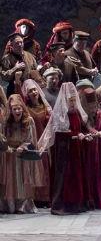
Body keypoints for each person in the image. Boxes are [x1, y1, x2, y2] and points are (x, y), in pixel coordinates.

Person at [39, 82, 93, 215]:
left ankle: (77, 203)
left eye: (75, 99)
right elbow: (60, 132)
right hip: (65, 150)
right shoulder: (60, 114)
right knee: (65, 175)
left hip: (76, 149)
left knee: (77, 175)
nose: (73, 103)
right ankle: (63, 204)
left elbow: (82, 127)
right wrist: (76, 135)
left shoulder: (77, 113)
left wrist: (87, 135)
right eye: (71, 100)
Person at [0, 94, 44, 213]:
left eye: (19, 108)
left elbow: (30, 139)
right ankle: (10, 205)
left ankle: (22, 206)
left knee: (23, 179)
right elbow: (2, 137)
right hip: (9, 154)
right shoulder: (5, 121)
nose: (18, 111)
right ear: (11, 110)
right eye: (15, 109)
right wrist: (7, 147)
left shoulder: (28, 121)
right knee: (10, 178)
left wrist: (22, 146)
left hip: (22, 155)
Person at [21, 79, 51, 207]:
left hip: (44, 142)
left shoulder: (45, 108)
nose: (34, 92)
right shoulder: (26, 109)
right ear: (27, 94)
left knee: (45, 169)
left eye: (35, 90)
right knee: (33, 170)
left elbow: (50, 125)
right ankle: (35, 198)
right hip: (32, 142)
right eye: (30, 91)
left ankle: (45, 198)